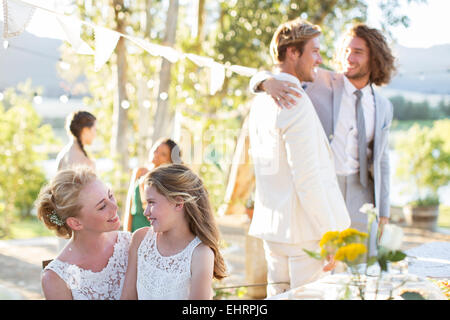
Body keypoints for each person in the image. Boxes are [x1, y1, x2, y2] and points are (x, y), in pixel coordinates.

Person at [250, 24, 396, 255]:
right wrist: (266, 82)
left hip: (363, 195)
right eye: (346, 50)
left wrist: (384, 211)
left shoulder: (384, 106)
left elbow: (382, 161)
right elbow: (281, 68)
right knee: (329, 265)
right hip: (328, 188)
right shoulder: (322, 81)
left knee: (362, 265)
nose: (349, 57)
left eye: (357, 52)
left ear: (375, 58)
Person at [247, 18, 350, 298]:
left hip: (275, 233)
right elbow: (307, 177)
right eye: (314, 51)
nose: (319, 59)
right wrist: (330, 234)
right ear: (293, 53)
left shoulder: (259, 102)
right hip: (305, 236)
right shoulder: (293, 99)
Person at [121, 164, 227, 300]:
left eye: (151, 202)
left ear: (178, 203)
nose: (146, 212)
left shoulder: (201, 254)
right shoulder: (140, 240)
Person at [36, 167, 131, 300]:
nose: (115, 207)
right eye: (102, 206)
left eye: (110, 195)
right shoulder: (55, 278)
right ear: (76, 223)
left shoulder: (131, 244)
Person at [123, 138, 182, 232]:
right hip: (134, 226)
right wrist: (126, 233)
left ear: (170, 161)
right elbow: (129, 207)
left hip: (153, 230)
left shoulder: (166, 181)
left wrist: (144, 187)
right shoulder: (139, 172)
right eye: (156, 150)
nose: (156, 155)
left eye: (163, 154)